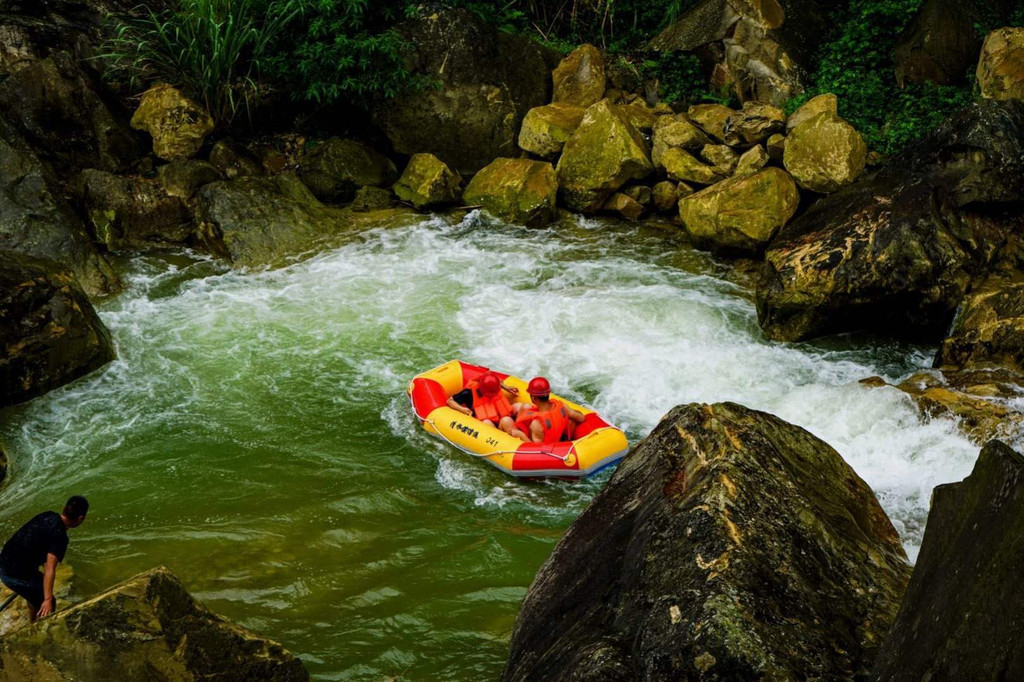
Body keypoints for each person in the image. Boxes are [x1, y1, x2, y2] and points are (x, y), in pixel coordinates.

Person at [0, 495, 88, 621]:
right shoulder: (60, 537)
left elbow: (29, 540)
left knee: (38, 589)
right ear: (80, 518)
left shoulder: (47, 515)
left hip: (4, 561)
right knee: (48, 603)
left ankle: (32, 612)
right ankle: (34, 630)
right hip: (11, 574)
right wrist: (47, 599)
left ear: (64, 508)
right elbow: (49, 568)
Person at [513, 377, 586, 443]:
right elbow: (581, 418)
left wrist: (521, 436)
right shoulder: (562, 407)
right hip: (557, 438)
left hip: (547, 448)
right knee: (525, 406)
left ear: (534, 398)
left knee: (506, 421)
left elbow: (538, 450)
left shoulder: (537, 423)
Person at [448, 372, 524, 436]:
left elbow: (497, 382)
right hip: (491, 426)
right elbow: (450, 401)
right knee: (498, 421)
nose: (493, 395)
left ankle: (525, 431)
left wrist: (506, 387)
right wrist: (462, 409)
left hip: (504, 416)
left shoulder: (495, 385)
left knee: (520, 406)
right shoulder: (468, 393)